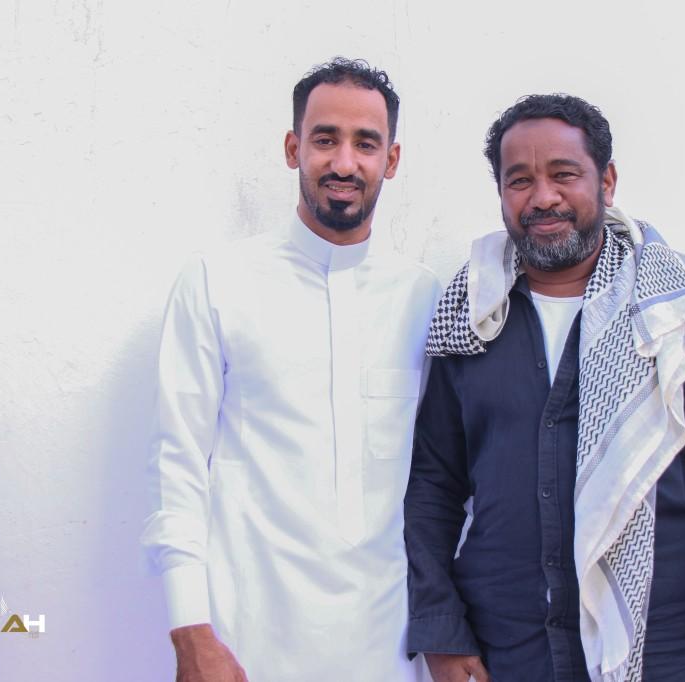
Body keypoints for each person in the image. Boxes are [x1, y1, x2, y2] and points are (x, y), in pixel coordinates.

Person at [404, 94, 685, 682]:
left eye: (564, 174)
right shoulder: (471, 315)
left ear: (606, 181)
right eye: (520, 180)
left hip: (660, 660)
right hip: (507, 657)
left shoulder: (678, 314)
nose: (543, 198)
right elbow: (433, 487)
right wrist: (441, 629)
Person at [141, 58, 440, 681]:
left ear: (391, 160)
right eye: (325, 138)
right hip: (246, 643)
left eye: (366, 143)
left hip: (389, 649)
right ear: (291, 148)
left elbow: (444, 485)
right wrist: (189, 630)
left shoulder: (426, 300)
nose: (344, 163)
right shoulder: (217, 282)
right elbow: (178, 462)